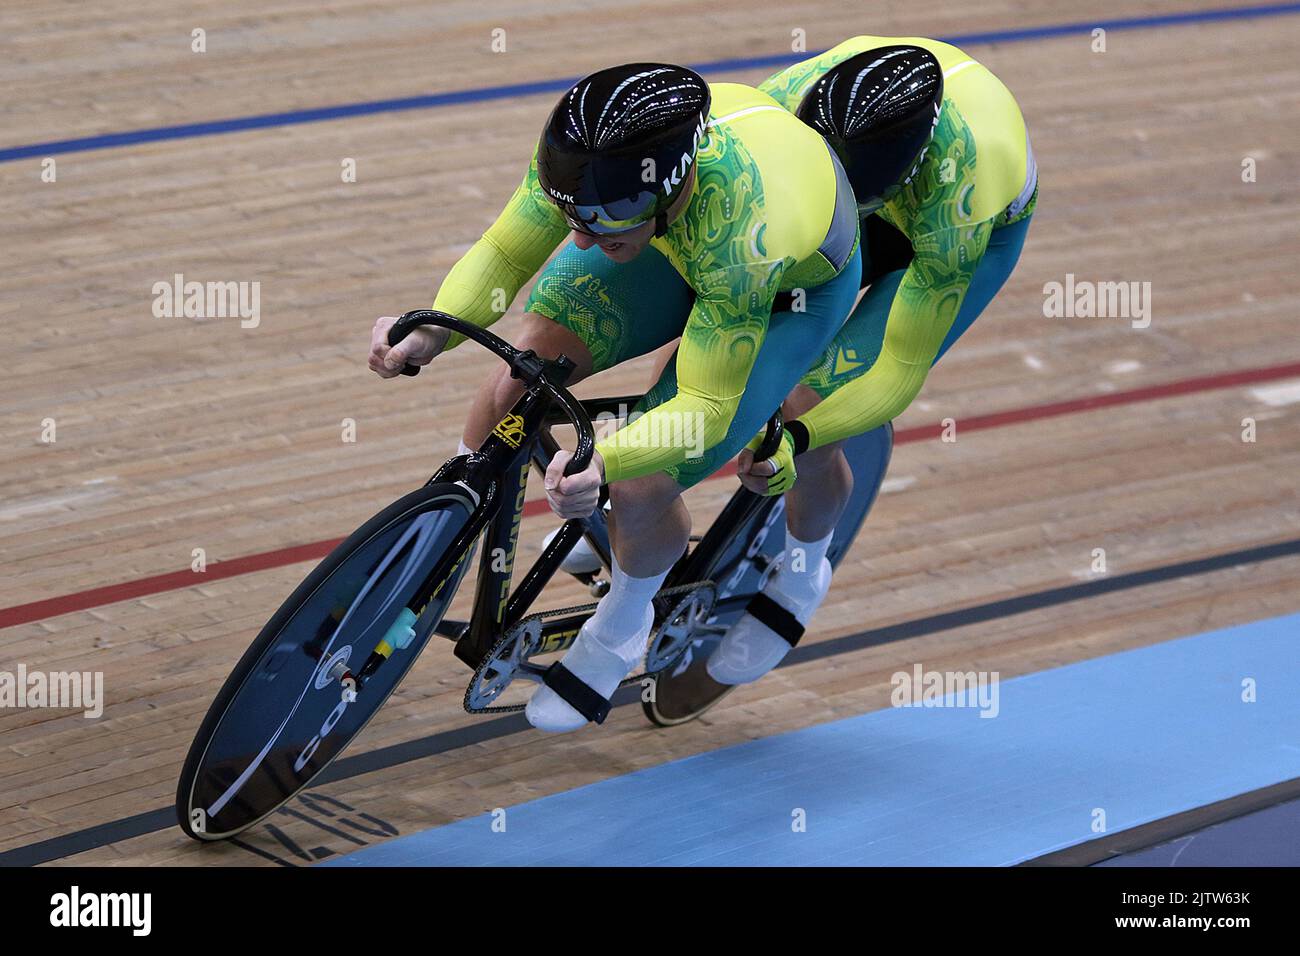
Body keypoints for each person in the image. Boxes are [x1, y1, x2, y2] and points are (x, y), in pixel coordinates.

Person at [368, 63, 862, 731]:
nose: (577, 239)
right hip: (667, 241)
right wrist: (432, 328)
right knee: (519, 376)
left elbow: (705, 407)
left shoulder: (740, 234)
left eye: (598, 225)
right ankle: (445, 528)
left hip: (783, 290)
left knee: (644, 481)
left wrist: (610, 461)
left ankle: (631, 622)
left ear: (665, 189)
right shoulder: (589, 166)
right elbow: (505, 255)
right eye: (572, 218)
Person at [704, 39, 1039, 686]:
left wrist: (797, 436)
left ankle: (803, 569)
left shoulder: (965, 184)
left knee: (809, 400)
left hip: (945, 237)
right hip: (842, 195)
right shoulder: (788, 99)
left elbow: (896, 373)